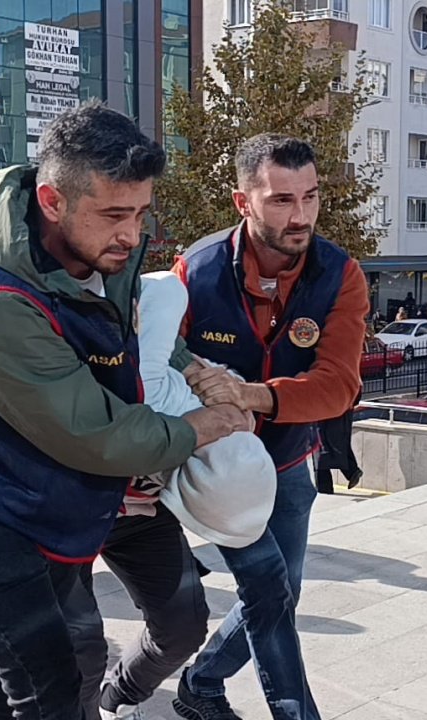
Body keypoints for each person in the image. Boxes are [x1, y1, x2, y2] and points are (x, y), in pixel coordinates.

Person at [0, 101, 249, 718]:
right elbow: (96, 435)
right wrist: (202, 426)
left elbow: (129, 328)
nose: (133, 235)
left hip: (48, 485)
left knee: (52, 657)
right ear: (53, 200)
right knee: (53, 679)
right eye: (115, 215)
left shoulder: (91, 248)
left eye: (141, 212)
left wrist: (191, 364)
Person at [171, 134, 369, 720]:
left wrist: (250, 396)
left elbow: (339, 386)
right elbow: (156, 357)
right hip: (216, 469)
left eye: (309, 197)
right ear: (243, 202)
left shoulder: (341, 275)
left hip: (287, 463)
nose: (300, 215)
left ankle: (201, 683)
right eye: (281, 200)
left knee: (283, 593)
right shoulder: (196, 271)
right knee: (268, 593)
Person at [75, 272, 277, 720]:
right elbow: (165, 287)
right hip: (67, 503)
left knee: (182, 625)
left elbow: (219, 388)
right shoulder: (143, 384)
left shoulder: (191, 396)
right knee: (71, 643)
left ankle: (118, 697)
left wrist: (233, 409)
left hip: (139, 513)